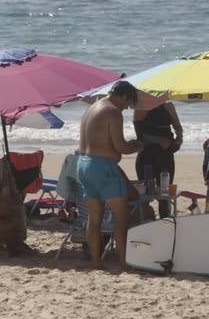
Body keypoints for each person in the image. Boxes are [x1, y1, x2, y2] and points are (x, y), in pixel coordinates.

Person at [78, 79, 143, 270]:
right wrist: (137, 145)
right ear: (123, 97)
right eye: (128, 104)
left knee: (94, 219)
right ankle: (124, 263)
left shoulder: (92, 107)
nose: (126, 109)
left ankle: (97, 263)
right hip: (103, 168)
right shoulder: (113, 111)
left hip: (83, 165)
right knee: (123, 218)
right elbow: (120, 147)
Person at [134, 98, 183, 216]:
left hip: (166, 156)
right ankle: (144, 225)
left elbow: (178, 127)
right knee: (145, 195)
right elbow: (139, 135)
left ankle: (164, 223)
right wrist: (158, 140)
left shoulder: (169, 106)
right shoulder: (142, 106)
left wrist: (178, 140)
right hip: (146, 156)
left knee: (165, 195)